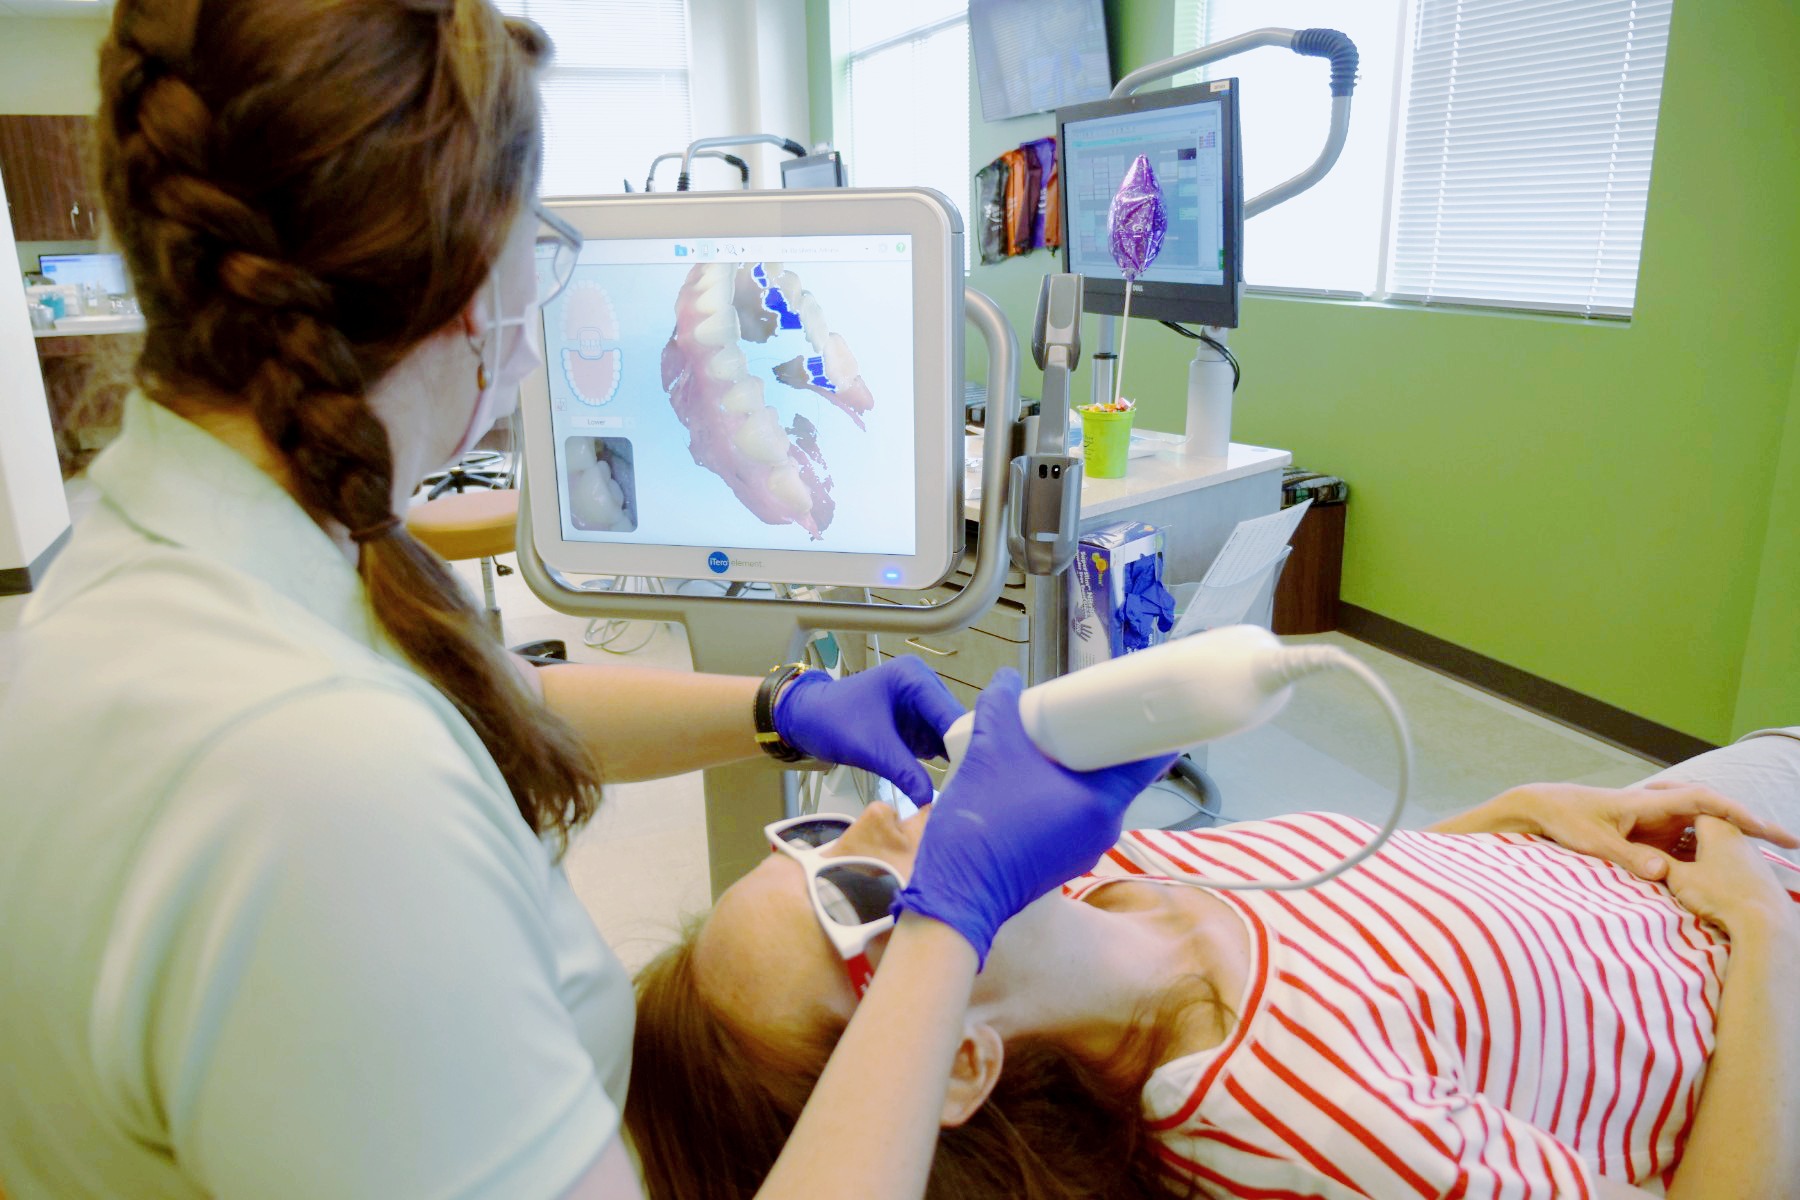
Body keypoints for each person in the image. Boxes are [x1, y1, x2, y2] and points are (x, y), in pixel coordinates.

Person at [0, 4, 1170, 1197]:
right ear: (466, 276)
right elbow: (378, 760)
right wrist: (941, 928)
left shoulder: (184, 550)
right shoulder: (314, 791)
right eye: (538, 242)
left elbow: (490, 704)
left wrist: (785, 703)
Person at [627, 719, 1800, 1200]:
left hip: (1652, 851)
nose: (878, 825)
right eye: (858, 897)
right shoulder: (1297, 1120)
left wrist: (1519, 814)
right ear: (952, 1065)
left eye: (816, 839)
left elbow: (1368, 924)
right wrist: (1762, 932)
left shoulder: (1101, 887)